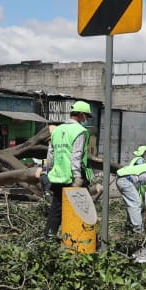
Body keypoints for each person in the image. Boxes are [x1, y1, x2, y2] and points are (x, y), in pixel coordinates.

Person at [39, 102, 92, 239]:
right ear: (81, 115)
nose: (85, 119)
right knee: (83, 210)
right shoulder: (80, 131)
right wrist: (77, 177)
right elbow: (76, 155)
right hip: (72, 178)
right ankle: (81, 240)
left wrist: (47, 171)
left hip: (57, 177)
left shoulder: (56, 130)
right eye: (85, 116)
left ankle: (49, 237)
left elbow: (50, 154)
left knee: (56, 208)